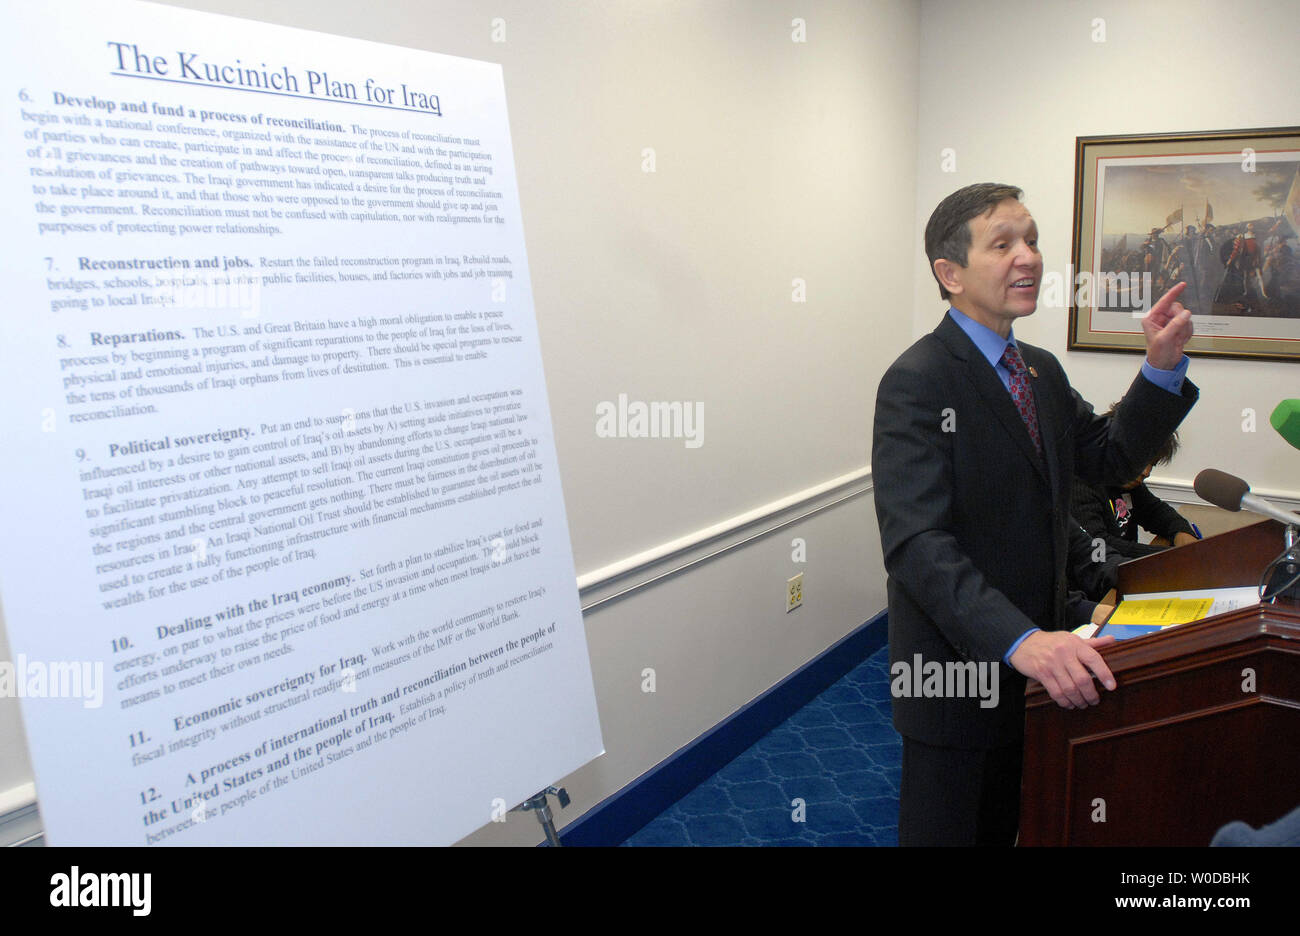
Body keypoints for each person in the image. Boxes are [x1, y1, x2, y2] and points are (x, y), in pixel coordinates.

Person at [872, 183, 1197, 846]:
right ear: (950, 273)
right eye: (1003, 244)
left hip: (1044, 672)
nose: (1029, 257)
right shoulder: (918, 380)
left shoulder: (1039, 371)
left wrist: (1159, 372)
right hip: (956, 681)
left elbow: (1107, 462)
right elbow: (917, 546)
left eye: (1032, 239)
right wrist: (1021, 641)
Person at [1071, 418, 1197, 562]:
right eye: (1142, 460)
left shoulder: (1127, 482)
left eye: (1153, 464)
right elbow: (1097, 544)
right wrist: (1165, 555)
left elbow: (1154, 511)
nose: (1147, 472)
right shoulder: (1080, 484)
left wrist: (1180, 531)